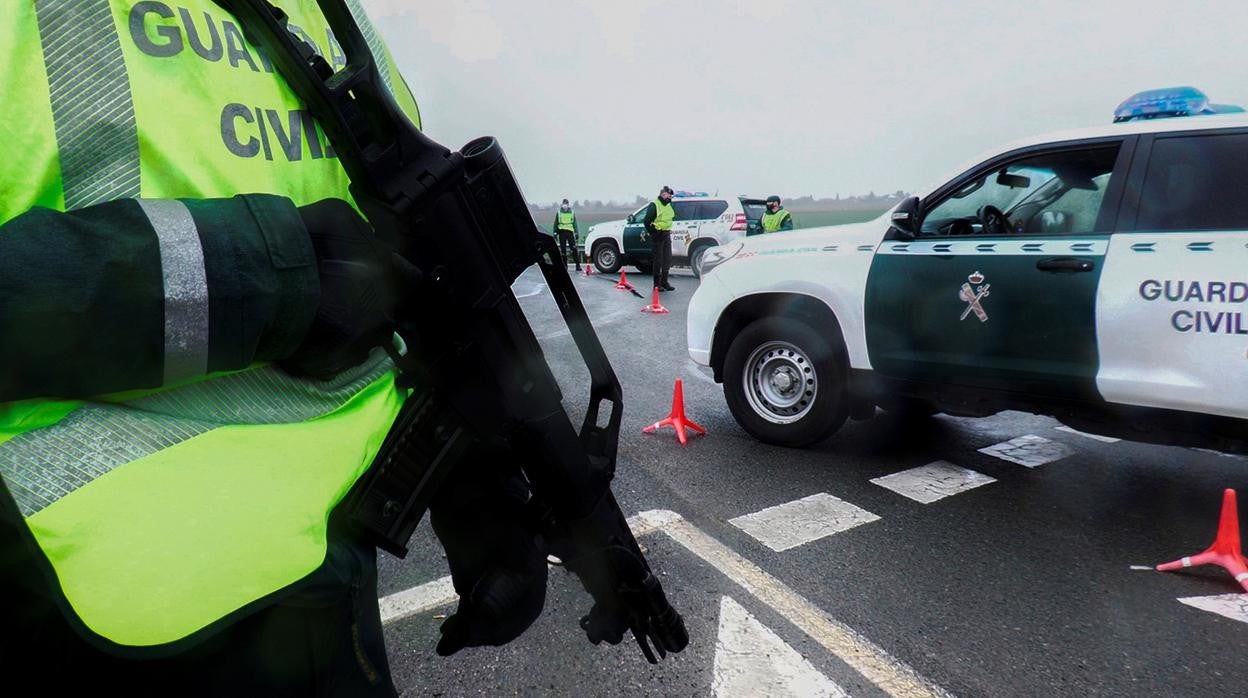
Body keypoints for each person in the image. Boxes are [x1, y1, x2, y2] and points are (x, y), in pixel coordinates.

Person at [0, 1, 545, 693]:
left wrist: (473, 481)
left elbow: (407, 298)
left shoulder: (339, 23)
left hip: (329, 601)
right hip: (83, 623)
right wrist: (271, 278)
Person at [641, 185, 676, 292]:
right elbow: (647, 221)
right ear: (662, 194)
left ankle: (665, 282)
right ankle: (657, 284)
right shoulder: (655, 205)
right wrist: (654, 232)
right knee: (658, 260)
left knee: (667, 258)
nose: (669, 197)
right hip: (658, 235)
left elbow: (669, 218)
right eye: (668, 195)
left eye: (670, 196)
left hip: (666, 234)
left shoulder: (668, 205)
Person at [553, 198, 580, 270]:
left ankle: (578, 265)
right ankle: (565, 265)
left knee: (573, 248)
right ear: (562, 205)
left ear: (568, 205)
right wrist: (555, 232)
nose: (565, 205)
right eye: (564, 204)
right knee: (563, 250)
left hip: (570, 232)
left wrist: (576, 233)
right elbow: (556, 223)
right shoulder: (559, 213)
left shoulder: (572, 212)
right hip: (562, 232)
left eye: (566, 204)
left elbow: (575, 223)